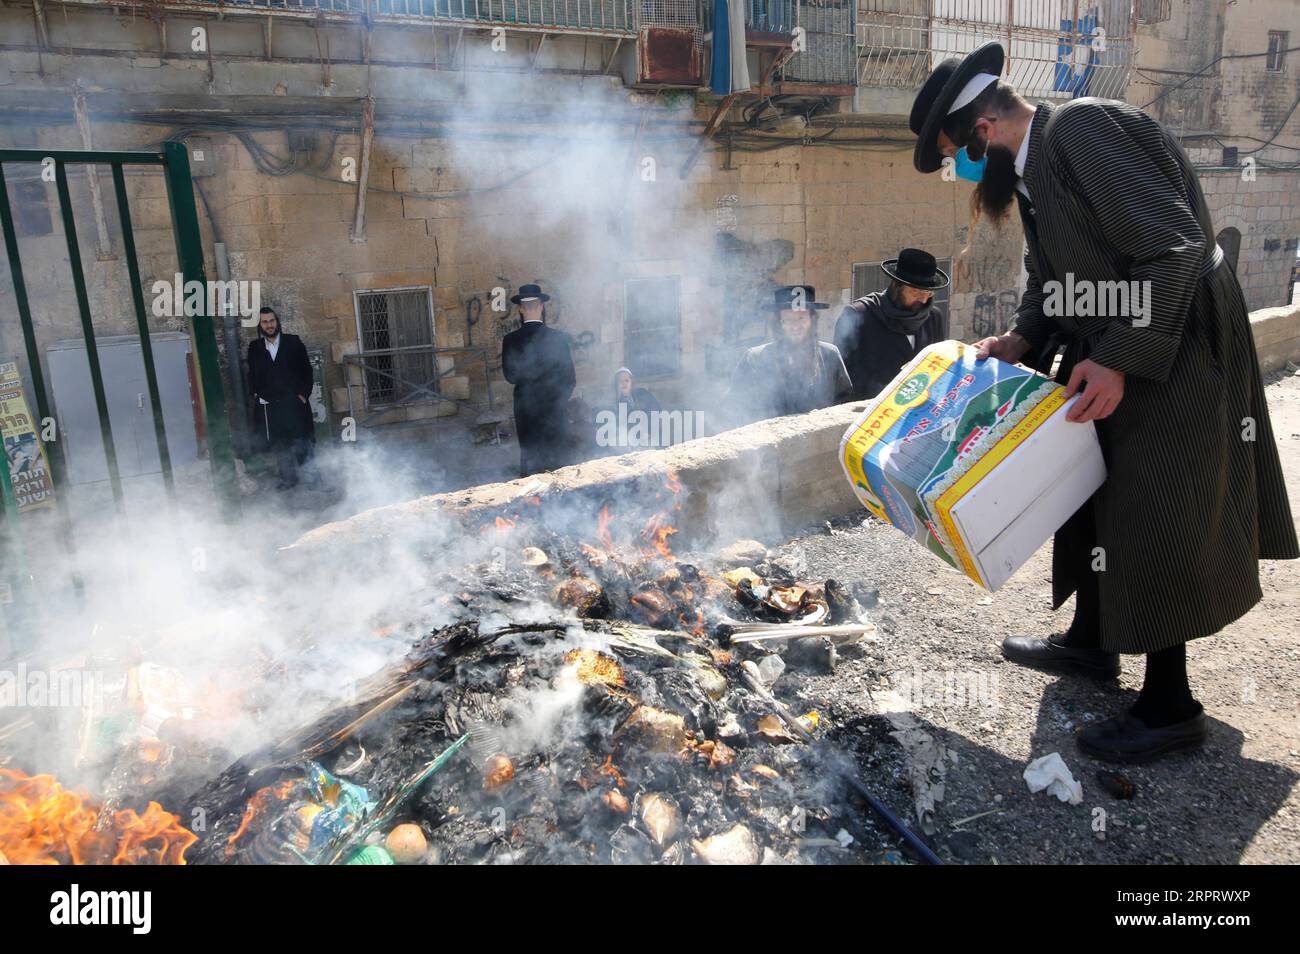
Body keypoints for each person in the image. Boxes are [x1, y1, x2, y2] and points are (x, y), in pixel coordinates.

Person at [909, 42, 1298, 762]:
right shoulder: (1031, 169)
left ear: (984, 130)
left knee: (1154, 502)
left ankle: (1169, 706)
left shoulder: (1081, 130)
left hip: (1175, 336)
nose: (966, 173)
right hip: (1113, 337)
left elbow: (1174, 248)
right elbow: (1051, 274)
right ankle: (1092, 642)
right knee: (1091, 488)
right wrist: (1023, 339)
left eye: (962, 155)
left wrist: (1117, 360)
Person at [726, 285, 853, 427]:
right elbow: (735, 406)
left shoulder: (830, 355)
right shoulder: (755, 359)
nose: (795, 326)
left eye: (801, 318)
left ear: (812, 319)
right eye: (788, 319)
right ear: (779, 323)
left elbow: (844, 403)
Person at [834, 248, 950, 400]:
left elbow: (938, 367)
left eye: (928, 293)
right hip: (874, 412)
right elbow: (841, 376)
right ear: (897, 286)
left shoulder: (933, 317)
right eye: (916, 292)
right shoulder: (859, 314)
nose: (923, 300)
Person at [500, 283, 577, 476]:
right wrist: (558, 402)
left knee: (531, 457)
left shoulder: (510, 340)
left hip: (525, 409)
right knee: (558, 461)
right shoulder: (559, 338)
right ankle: (563, 503)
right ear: (542, 306)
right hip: (554, 409)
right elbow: (570, 379)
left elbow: (510, 376)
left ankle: (531, 502)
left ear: (520, 308)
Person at [247, 306, 314, 490]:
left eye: (272, 321)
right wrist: (255, 394)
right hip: (272, 405)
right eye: (265, 322)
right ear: (260, 325)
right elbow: (252, 374)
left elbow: (307, 370)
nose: (269, 325)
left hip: (294, 403)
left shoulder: (293, 342)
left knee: (302, 440)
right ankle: (288, 479)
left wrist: (302, 395)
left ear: (277, 322)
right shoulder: (255, 348)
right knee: (280, 444)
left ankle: (312, 477)